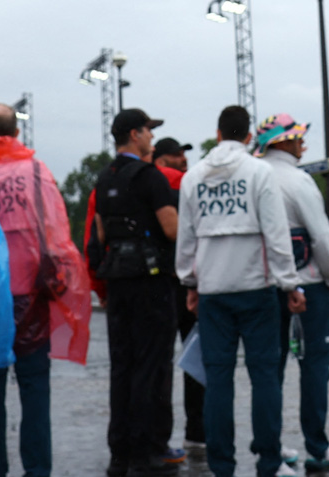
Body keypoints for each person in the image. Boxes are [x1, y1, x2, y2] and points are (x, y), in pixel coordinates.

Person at [177, 105, 305, 477]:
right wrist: (290, 283)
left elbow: (186, 239)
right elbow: (276, 234)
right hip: (257, 289)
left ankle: (222, 467)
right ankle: (268, 463)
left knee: (218, 381)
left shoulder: (193, 177)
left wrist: (190, 282)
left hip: (213, 292)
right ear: (249, 137)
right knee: (264, 376)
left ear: (217, 134)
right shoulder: (259, 172)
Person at [0, 102, 91, 477]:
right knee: (35, 390)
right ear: (17, 133)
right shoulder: (36, 171)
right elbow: (56, 235)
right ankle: (37, 470)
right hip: (29, 297)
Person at [90, 108, 181, 477]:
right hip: (150, 281)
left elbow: (99, 237)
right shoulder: (150, 177)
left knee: (122, 366)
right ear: (134, 134)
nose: (152, 138)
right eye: (148, 131)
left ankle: (120, 452)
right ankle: (147, 452)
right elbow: (172, 230)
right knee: (151, 366)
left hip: (118, 280)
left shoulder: (103, 178)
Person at [253, 116, 329, 474]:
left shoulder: (253, 176)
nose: (303, 143)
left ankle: (269, 449)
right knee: (314, 366)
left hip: (262, 286)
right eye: (299, 137)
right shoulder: (298, 180)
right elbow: (320, 237)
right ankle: (317, 448)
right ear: (284, 142)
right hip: (309, 285)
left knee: (269, 369)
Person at [149, 139, 203, 457]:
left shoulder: (142, 185)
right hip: (190, 284)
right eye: (175, 156)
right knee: (196, 359)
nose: (182, 160)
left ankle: (157, 437)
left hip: (156, 284)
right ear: (159, 160)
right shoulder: (188, 183)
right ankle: (197, 432)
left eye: (184, 155)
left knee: (158, 364)